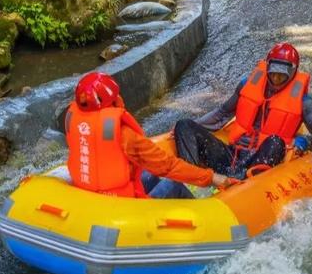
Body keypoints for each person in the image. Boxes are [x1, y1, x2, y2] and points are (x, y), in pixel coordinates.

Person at [173, 43, 312, 179]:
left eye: (282, 75)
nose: (276, 79)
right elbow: (221, 114)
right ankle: (190, 178)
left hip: (262, 159)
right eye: (273, 74)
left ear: (293, 72)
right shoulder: (246, 85)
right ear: (267, 67)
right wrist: (194, 127)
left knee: (275, 141)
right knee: (184, 125)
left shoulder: (303, 101)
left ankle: (242, 182)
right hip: (232, 155)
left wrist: (306, 142)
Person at [65, 72, 236, 199]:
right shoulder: (124, 135)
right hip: (123, 206)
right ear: (114, 100)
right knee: (173, 184)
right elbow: (167, 166)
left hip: (92, 196)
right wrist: (212, 178)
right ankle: (205, 221)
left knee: (149, 174)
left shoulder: (73, 122)